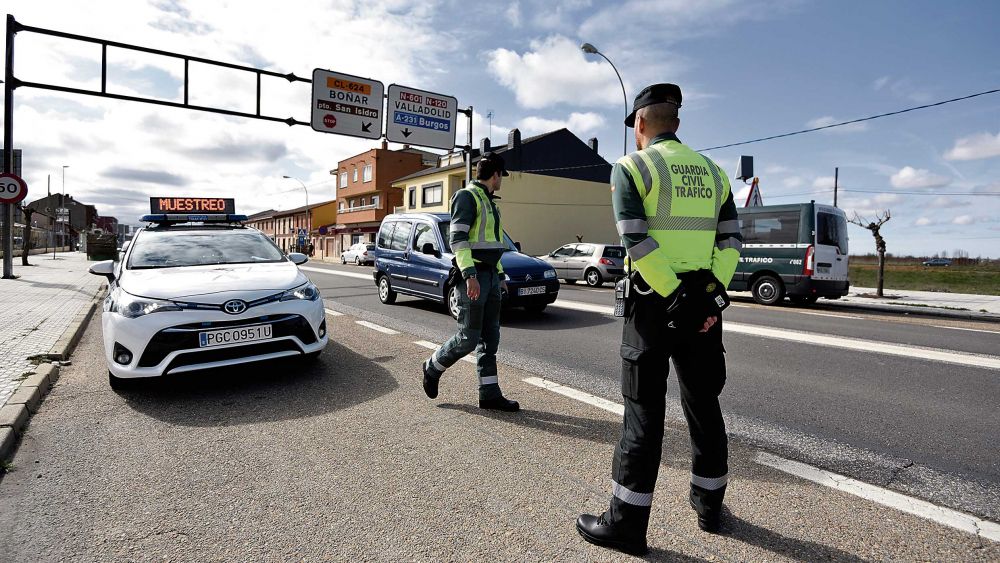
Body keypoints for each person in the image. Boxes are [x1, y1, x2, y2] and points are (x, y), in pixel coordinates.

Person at [576, 83, 743, 555]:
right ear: (677, 122)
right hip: (705, 310)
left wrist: (676, 296)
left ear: (641, 124)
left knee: (644, 413)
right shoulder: (714, 174)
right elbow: (731, 243)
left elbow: (636, 240)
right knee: (704, 405)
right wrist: (707, 301)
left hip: (654, 306)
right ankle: (710, 507)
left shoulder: (630, 168)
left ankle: (627, 524)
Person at [421, 152, 520, 412]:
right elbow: (458, 241)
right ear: (496, 174)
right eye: (502, 177)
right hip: (473, 277)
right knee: (468, 338)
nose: (502, 182)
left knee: (490, 341)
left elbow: (494, 246)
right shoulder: (467, 197)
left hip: (489, 276)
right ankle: (432, 366)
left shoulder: (491, 203)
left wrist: (500, 277)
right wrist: (470, 275)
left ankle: (489, 394)